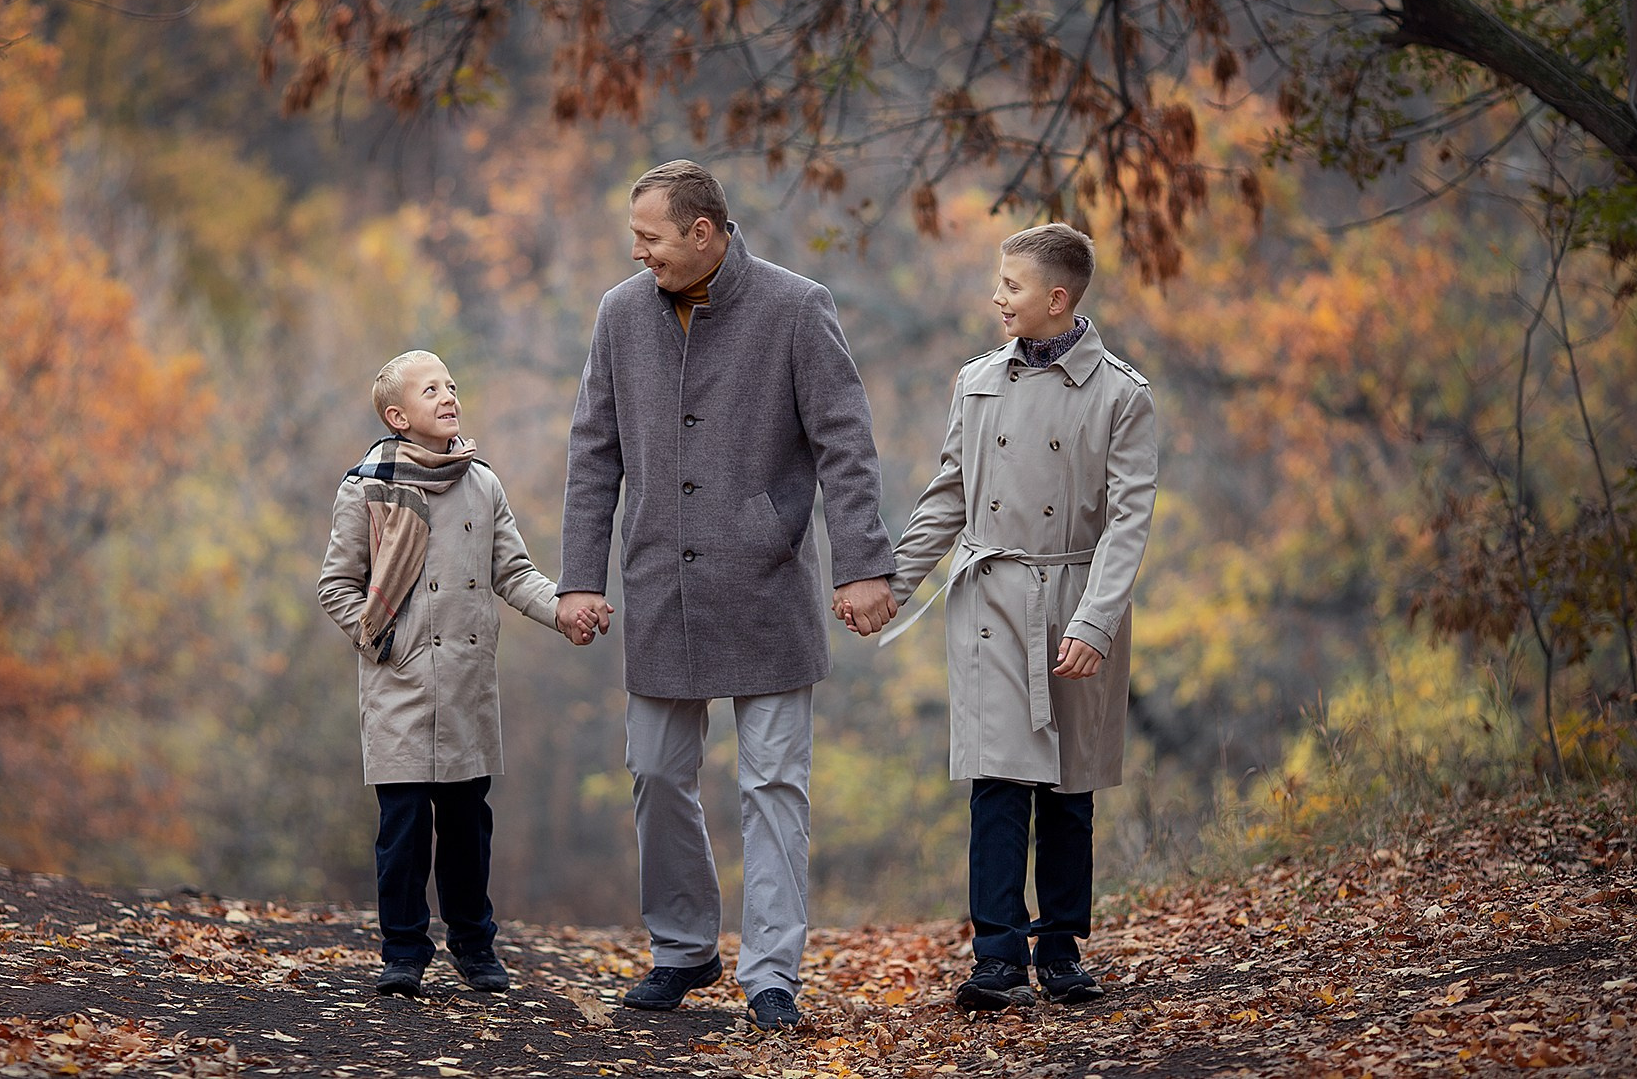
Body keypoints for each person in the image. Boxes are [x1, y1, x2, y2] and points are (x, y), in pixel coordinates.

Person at [556, 159, 898, 1032]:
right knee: (656, 772)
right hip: (657, 582)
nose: (638, 253)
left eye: (651, 237)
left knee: (774, 783)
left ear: (703, 232)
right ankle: (684, 948)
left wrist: (863, 562)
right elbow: (594, 451)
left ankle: (773, 972)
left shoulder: (795, 305)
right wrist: (580, 577)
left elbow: (845, 445)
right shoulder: (620, 313)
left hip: (767, 577)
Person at [869, 223, 1157, 1012]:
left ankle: (1060, 951)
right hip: (991, 600)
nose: (997, 297)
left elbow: (1130, 521)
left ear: (1055, 298)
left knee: (1068, 789)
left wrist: (1096, 622)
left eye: (1011, 286)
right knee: (997, 781)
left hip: (1073, 601)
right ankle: (996, 956)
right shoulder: (977, 382)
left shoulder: (1121, 395)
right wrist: (892, 582)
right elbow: (949, 495)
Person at [319, 350, 597, 997]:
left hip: (469, 682)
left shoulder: (483, 484)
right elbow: (336, 585)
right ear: (397, 416)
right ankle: (404, 954)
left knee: (469, 829)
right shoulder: (367, 487)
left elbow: (514, 573)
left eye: (450, 385)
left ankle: (475, 947)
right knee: (405, 830)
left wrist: (562, 611)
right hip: (400, 683)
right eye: (430, 390)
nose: (448, 396)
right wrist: (385, 642)